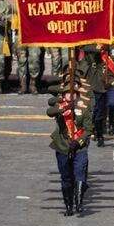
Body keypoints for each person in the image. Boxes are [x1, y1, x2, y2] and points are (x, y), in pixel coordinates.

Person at [47, 82, 93, 217]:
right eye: (68, 93)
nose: (70, 95)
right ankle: (68, 206)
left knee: (79, 173)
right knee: (66, 177)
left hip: (79, 147)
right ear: (64, 95)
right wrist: (66, 107)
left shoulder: (84, 108)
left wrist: (79, 141)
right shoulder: (60, 107)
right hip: (62, 147)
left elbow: (88, 129)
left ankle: (79, 203)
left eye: (73, 94)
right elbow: (49, 112)